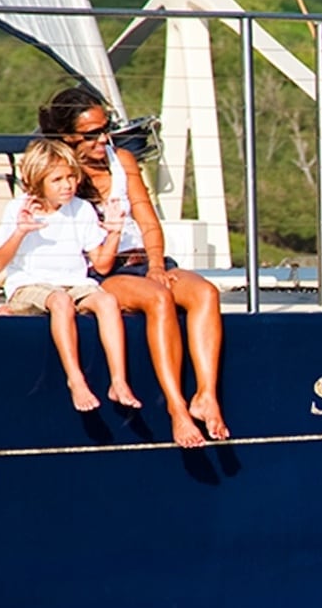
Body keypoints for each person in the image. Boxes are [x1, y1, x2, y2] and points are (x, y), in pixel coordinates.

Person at [38, 85, 229, 448]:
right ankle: (177, 409)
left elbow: (147, 218)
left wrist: (156, 262)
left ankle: (206, 396)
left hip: (145, 260)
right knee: (158, 299)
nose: (102, 139)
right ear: (67, 137)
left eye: (106, 128)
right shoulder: (60, 172)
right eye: (91, 135)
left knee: (205, 292)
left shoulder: (121, 160)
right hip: (103, 271)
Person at [0, 139, 142, 414]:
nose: (67, 185)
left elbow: (103, 265)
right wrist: (20, 231)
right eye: (57, 179)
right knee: (61, 302)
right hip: (30, 284)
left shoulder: (81, 209)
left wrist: (115, 231)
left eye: (71, 176)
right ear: (38, 180)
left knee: (107, 302)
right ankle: (76, 379)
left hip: (76, 283)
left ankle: (118, 380)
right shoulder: (17, 209)